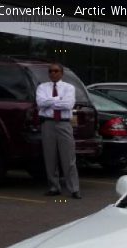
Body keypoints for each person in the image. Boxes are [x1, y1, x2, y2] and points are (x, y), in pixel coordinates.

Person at [35, 63, 81, 199]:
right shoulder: (42, 87)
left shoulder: (69, 88)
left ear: (61, 73)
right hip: (48, 124)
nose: (53, 73)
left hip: (64, 124)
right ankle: (54, 187)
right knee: (50, 158)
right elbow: (40, 103)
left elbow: (68, 105)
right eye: (50, 71)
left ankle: (74, 189)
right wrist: (57, 99)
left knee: (68, 158)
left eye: (56, 71)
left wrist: (50, 102)